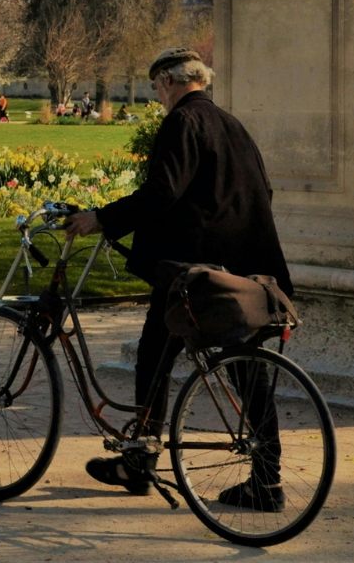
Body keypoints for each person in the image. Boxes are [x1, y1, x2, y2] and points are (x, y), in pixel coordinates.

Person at [66, 47, 292, 508]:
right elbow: (260, 190)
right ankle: (268, 479)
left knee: (155, 354)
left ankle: (140, 461)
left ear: (168, 81)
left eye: (156, 87)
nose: (158, 97)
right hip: (247, 269)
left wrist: (102, 219)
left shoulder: (182, 122)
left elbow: (161, 192)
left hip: (195, 275)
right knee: (247, 370)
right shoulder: (232, 124)